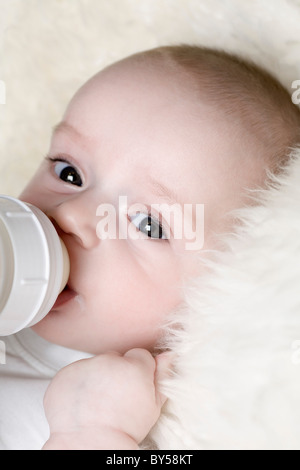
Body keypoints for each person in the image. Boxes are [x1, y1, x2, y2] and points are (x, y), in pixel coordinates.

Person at [1, 45, 300, 450]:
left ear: (219, 288)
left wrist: (93, 436)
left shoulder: (134, 415)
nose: (70, 215)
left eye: (148, 224)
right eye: (68, 172)